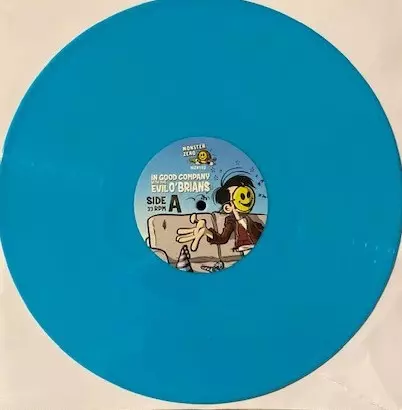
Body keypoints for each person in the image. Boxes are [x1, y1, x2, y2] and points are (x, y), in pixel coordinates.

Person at [176, 175, 264, 255]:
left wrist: (240, 219)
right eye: (239, 196)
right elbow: (223, 239)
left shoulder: (253, 222)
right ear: (227, 208)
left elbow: (258, 233)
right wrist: (207, 232)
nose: (246, 199)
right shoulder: (231, 220)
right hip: (246, 248)